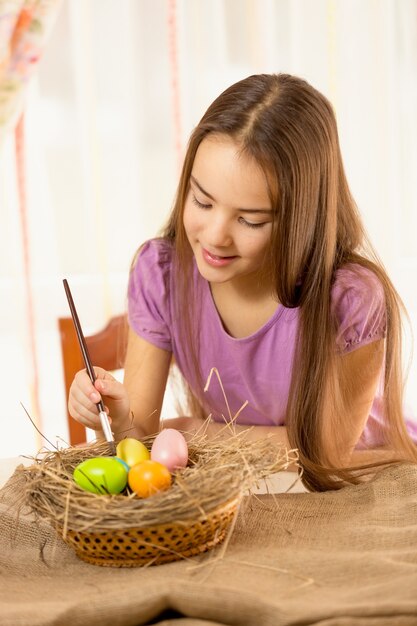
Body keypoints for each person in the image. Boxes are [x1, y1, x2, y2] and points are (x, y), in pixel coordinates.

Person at [68, 73, 417, 491]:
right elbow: (140, 443)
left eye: (250, 220)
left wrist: (197, 434)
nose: (215, 235)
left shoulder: (349, 298)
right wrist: (118, 414)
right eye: (201, 200)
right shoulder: (161, 273)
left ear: (300, 219)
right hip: (251, 484)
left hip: (364, 481)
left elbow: (326, 455)